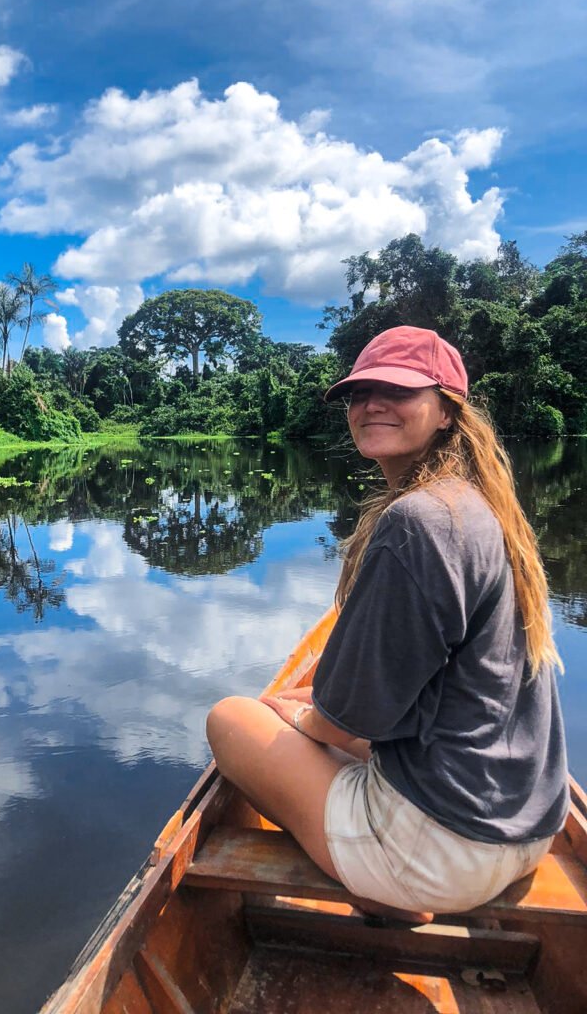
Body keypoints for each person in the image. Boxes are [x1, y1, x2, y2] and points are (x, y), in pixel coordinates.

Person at [206, 325, 569, 923]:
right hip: (530, 831)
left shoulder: (418, 522)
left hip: (444, 852)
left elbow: (340, 723)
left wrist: (288, 711)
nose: (371, 403)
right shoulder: (482, 506)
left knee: (232, 718)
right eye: (359, 392)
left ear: (448, 410)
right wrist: (317, 712)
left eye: (397, 390)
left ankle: (385, 889)